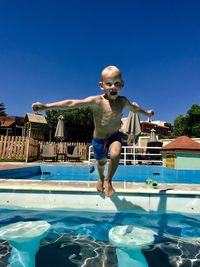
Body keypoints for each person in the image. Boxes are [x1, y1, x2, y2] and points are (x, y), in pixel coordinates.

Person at [32, 65, 154, 197]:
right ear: (101, 86)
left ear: (122, 84)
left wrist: (146, 112)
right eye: (109, 84)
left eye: (117, 83)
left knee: (116, 153)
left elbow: (135, 109)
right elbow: (72, 103)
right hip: (99, 139)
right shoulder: (97, 101)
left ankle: (108, 180)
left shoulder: (123, 101)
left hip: (114, 136)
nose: (113, 87)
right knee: (101, 163)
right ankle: (101, 177)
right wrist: (46, 106)